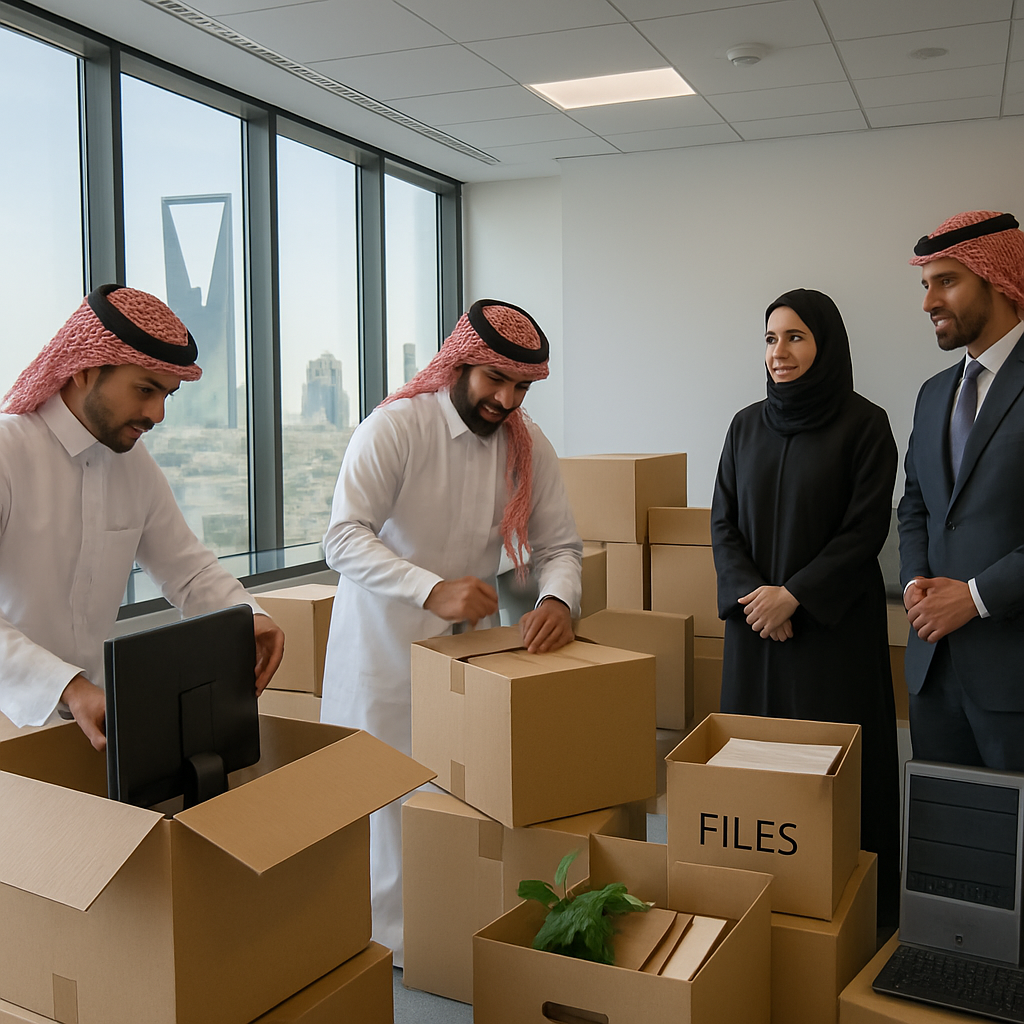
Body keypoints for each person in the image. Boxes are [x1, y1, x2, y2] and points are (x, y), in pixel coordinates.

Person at [321, 299, 582, 963]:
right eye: (495, 379)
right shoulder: (397, 426)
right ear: (461, 362)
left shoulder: (528, 444)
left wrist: (557, 600)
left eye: (521, 387)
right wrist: (429, 587)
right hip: (378, 651)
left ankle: (440, 942)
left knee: (451, 800)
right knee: (376, 811)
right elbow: (342, 538)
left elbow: (560, 547)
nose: (506, 398)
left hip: (464, 659)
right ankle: (374, 953)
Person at [0, 284, 285, 751]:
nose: (157, 413)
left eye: (167, 395)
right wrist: (66, 686)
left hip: (88, 727)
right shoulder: (7, 453)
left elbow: (188, 571)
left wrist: (247, 618)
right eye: (145, 389)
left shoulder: (134, 467)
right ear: (86, 369)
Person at [711, 288, 901, 926]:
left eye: (795, 337)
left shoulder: (865, 424)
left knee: (831, 779)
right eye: (770, 338)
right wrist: (757, 599)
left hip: (831, 636)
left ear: (826, 344)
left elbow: (864, 529)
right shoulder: (744, 425)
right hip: (755, 631)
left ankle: (855, 919)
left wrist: (794, 595)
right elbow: (723, 525)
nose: (780, 352)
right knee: (754, 773)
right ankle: (752, 902)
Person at [898, 210, 1024, 770]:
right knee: (943, 843)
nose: (928, 303)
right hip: (933, 673)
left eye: (946, 281)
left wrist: (972, 597)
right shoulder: (932, 394)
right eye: (926, 285)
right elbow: (916, 507)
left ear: (997, 279)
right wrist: (915, 584)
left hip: (1013, 678)